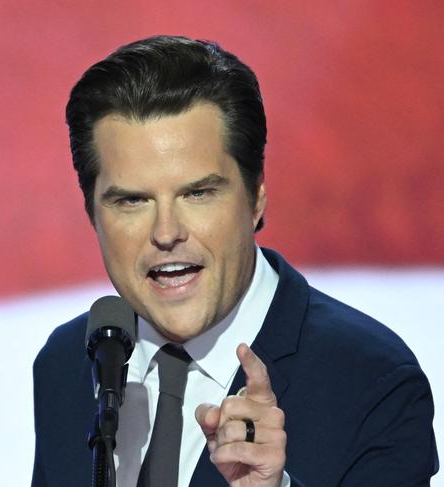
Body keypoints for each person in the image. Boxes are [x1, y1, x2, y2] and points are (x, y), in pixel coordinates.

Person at [31, 35, 438, 486]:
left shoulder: (370, 382)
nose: (166, 233)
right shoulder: (68, 364)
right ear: (92, 212)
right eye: (132, 201)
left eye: (198, 193)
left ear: (257, 196)